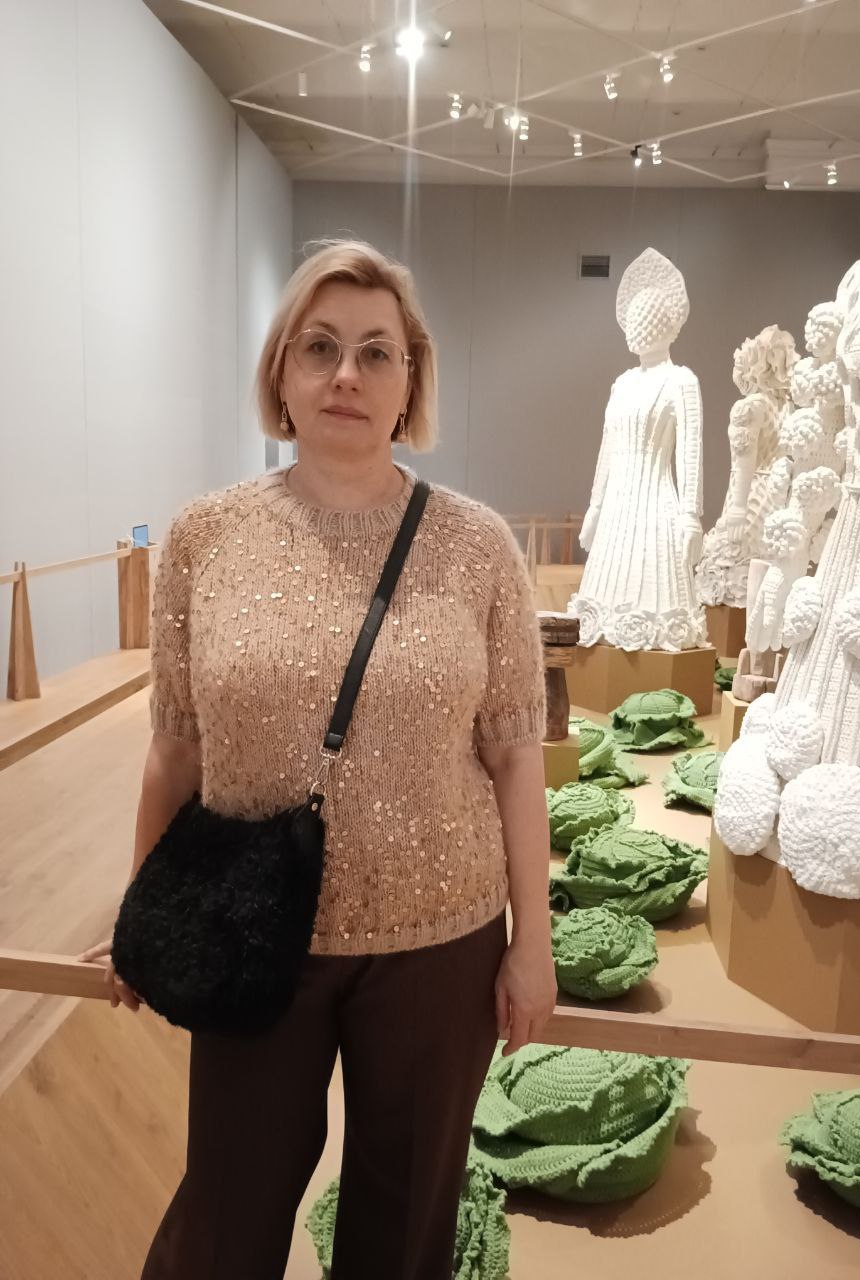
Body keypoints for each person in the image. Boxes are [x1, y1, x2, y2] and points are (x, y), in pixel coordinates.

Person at [78, 239, 556, 1279]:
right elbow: (175, 744)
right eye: (321, 346)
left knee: (404, 1228)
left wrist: (534, 942)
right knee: (227, 1218)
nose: (347, 374)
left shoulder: (477, 547)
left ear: (410, 383)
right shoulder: (206, 537)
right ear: (282, 372)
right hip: (251, 926)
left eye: (377, 353)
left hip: (442, 937)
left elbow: (518, 753)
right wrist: (143, 909)